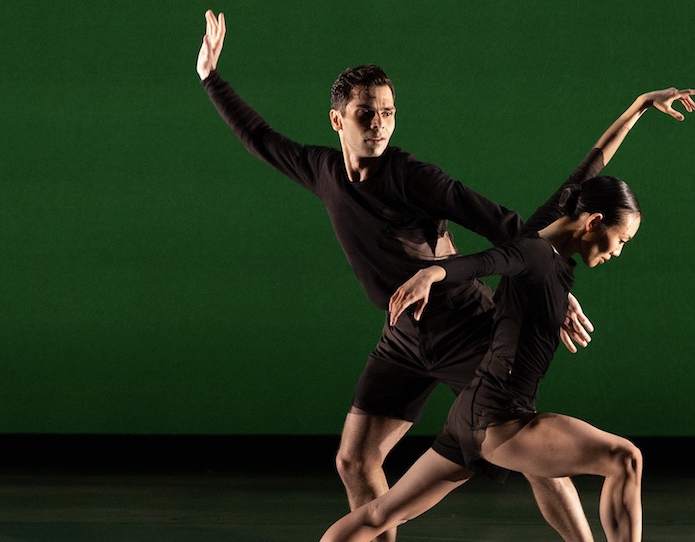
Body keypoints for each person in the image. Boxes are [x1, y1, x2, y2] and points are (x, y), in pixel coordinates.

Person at [195, 10, 598, 541]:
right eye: (366, 113)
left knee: (525, 451)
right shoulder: (322, 170)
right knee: (355, 460)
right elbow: (260, 137)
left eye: (387, 112)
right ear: (338, 121)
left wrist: (548, 279)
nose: (379, 123)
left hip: (465, 328)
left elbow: (503, 224)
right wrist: (211, 78)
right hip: (404, 338)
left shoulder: (415, 177)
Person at [320, 86, 695, 542]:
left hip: (471, 416)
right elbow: (483, 262)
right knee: (626, 459)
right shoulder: (534, 252)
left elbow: (592, 162)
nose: (619, 252)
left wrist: (639, 106)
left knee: (379, 516)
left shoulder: (552, 225)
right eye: (620, 241)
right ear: (595, 223)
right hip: (502, 422)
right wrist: (433, 275)